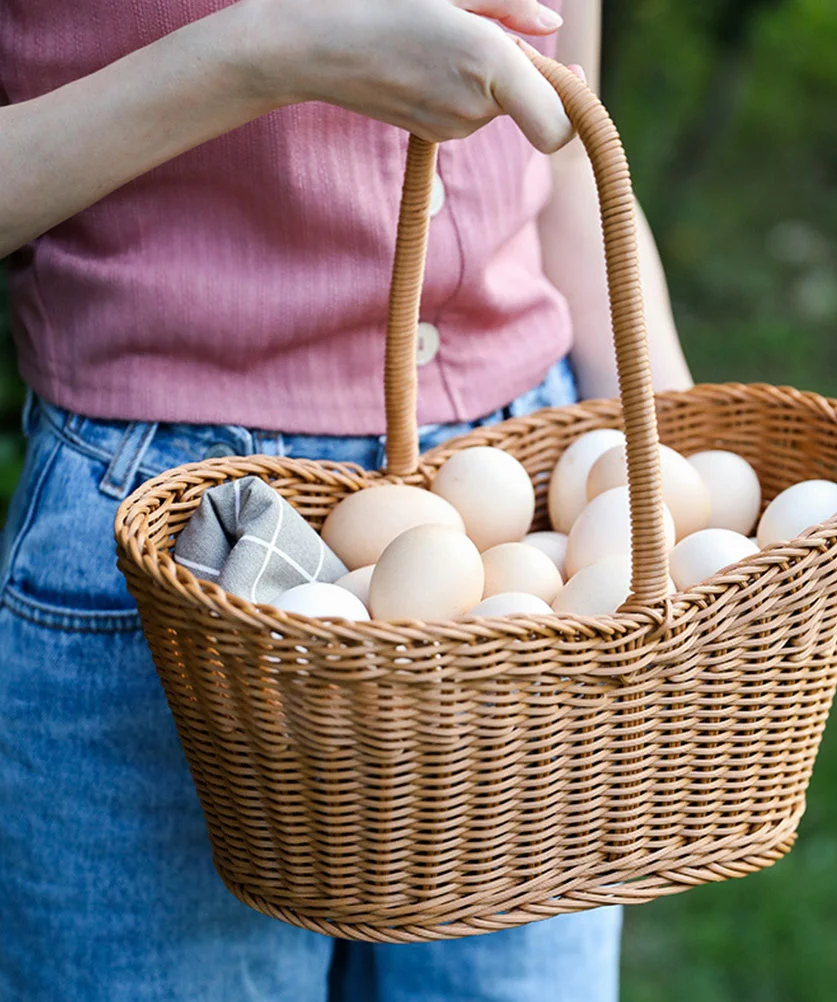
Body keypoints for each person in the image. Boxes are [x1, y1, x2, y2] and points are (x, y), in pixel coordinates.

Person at [0, 0, 692, 998]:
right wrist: (270, 57)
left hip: (529, 529)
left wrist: (669, 461)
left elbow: (566, 153)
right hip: (174, 545)